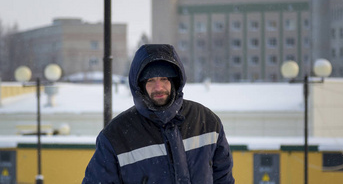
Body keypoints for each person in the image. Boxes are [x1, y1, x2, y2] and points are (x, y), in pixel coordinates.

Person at [82, 44, 234, 184]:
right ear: (139, 85)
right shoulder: (116, 135)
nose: (158, 87)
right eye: (150, 80)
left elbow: (224, 179)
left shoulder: (206, 122)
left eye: (164, 79)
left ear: (175, 81)